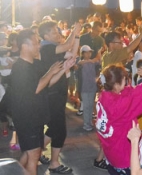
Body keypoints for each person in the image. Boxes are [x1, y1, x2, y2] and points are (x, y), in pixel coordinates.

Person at [10, 29, 74, 175]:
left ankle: (11, 172)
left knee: (31, 153)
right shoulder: (20, 67)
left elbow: (47, 83)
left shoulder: (35, 65)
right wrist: (50, 71)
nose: (39, 46)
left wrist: (63, 69)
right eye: (36, 43)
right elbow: (36, 88)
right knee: (33, 156)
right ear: (25, 46)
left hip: (36, 117)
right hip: (27, 118)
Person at [96, 64, 142, 174]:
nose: (126, 81)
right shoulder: (120, 105)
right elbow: (141, 96)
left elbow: (128, 93)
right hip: (124, 154)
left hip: (111, 151)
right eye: (124, 79)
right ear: (116, 84)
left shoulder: (104, 96)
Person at [38, 20, 81, 174]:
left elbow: (73, 53)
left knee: (54, 127)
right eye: (54, 32)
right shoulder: (47, 48)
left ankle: (36, 153)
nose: (58, 34)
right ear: (46, 35)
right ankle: (54, 163)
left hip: (57, 93)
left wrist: (76, 37)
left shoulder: (52, 48)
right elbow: (68, 47)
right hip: (52, 93)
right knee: (60, 130)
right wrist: (74, 32)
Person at [77, 45, 100, 131]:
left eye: (90, 52)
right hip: (84, 88)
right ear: (82, 54)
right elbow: (79, 63)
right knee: (86, 106)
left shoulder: (92, 62)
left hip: (92, 87)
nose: (89, 54)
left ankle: (89, 122)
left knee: (90, 106)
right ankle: (86, 124)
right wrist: (94, 59)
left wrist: (99, 55)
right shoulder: (80, 63)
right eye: (87, 52)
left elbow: (99, 61)